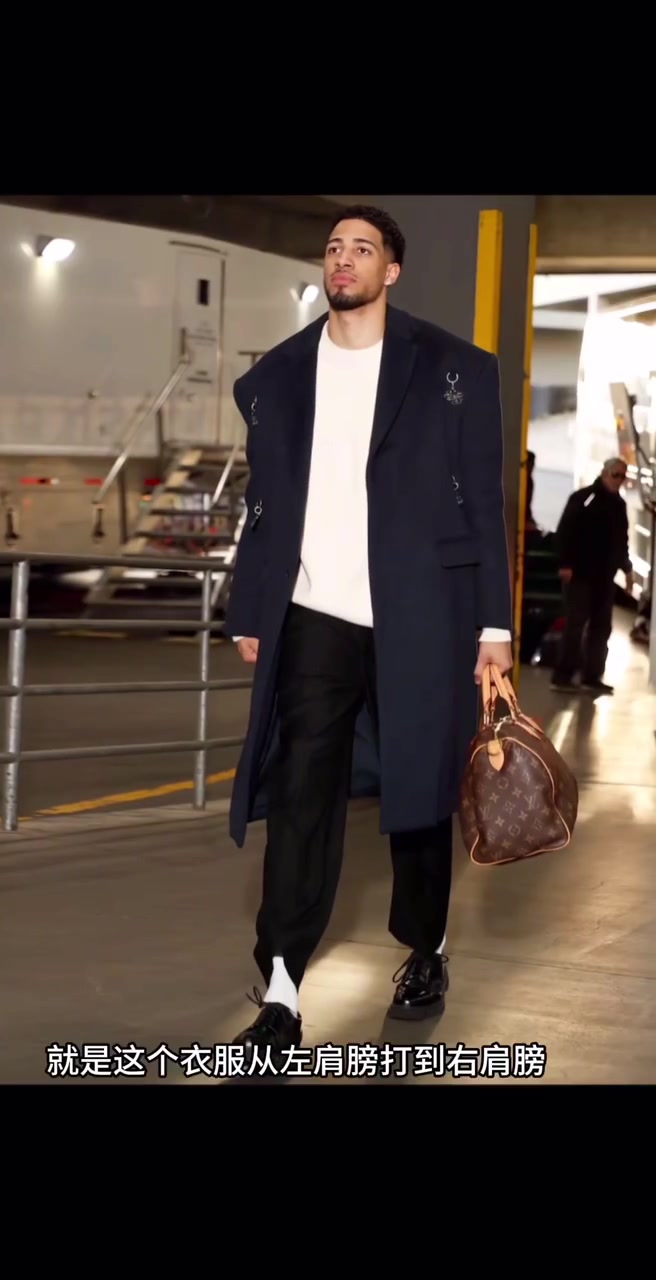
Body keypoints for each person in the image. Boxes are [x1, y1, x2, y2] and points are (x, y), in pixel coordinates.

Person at [223, 204, 513, 1060]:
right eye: (333, 247)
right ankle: (282, 989)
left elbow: (483, 501)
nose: (342, 259)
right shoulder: (282, 374)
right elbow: (262, 504)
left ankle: (426, 947)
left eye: (362, 249)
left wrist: (494, 626)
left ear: (392, 270)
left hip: (419, 614)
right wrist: (250, 607)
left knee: (419, 794)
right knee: (299, 798)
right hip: (314, 614)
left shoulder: (452, 368)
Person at [551, 458, 634, 694]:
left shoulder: (619, 505)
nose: (620, 480)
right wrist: (565, 564)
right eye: (616, 475)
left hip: (605, 577)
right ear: (605, 473)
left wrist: (627, 569)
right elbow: (565, 532)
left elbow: (622, 541)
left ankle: (592, 676)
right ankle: (563, 675)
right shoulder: (584, 498)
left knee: (602, 627)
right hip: (579, 574)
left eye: (623, 476)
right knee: (576, 623)